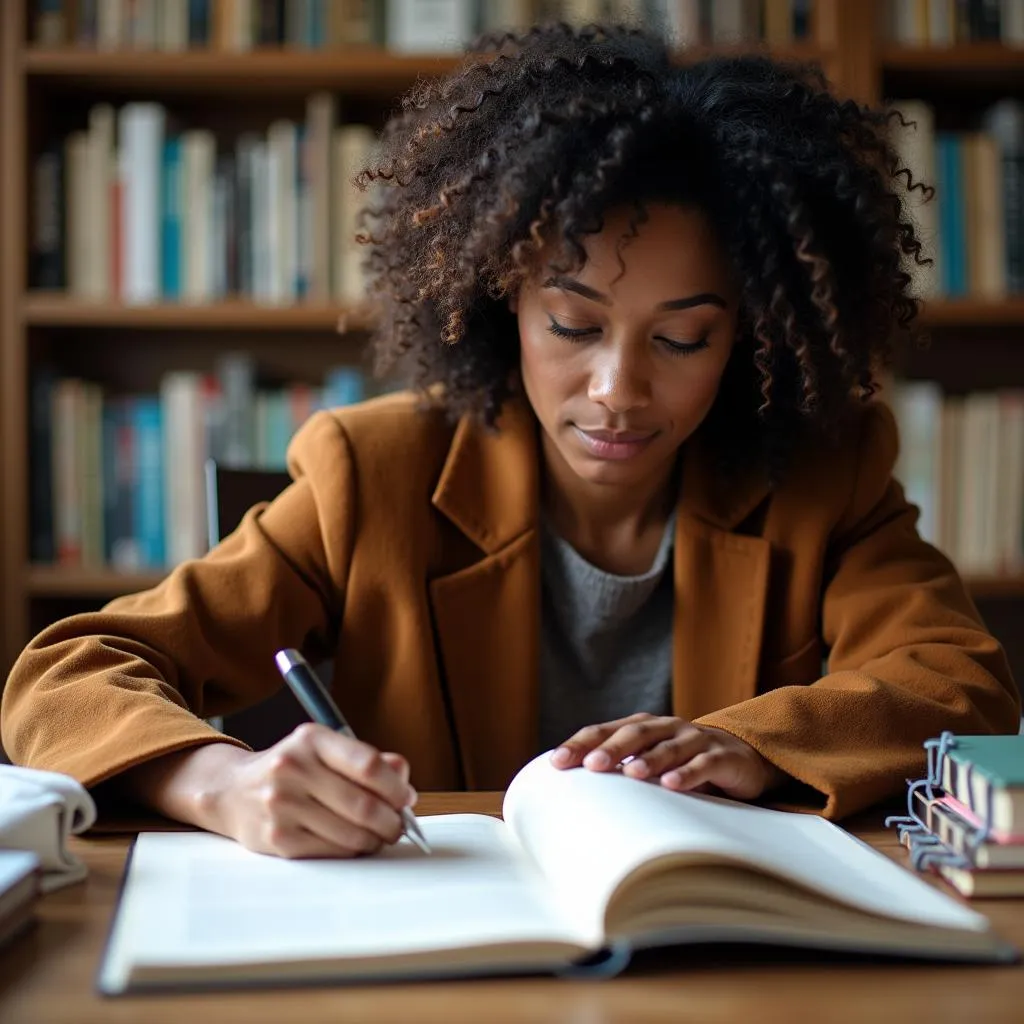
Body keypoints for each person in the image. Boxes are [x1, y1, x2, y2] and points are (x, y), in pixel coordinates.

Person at [2, 24, 1019, 860]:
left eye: (681, 337)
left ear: (751, 336)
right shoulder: (371, 472)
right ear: (502, 308)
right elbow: (69, 674)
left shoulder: (820, 476)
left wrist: (749, 743)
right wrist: (219, 779)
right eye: (572, 326)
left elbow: (962, 681)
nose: (617, 390)